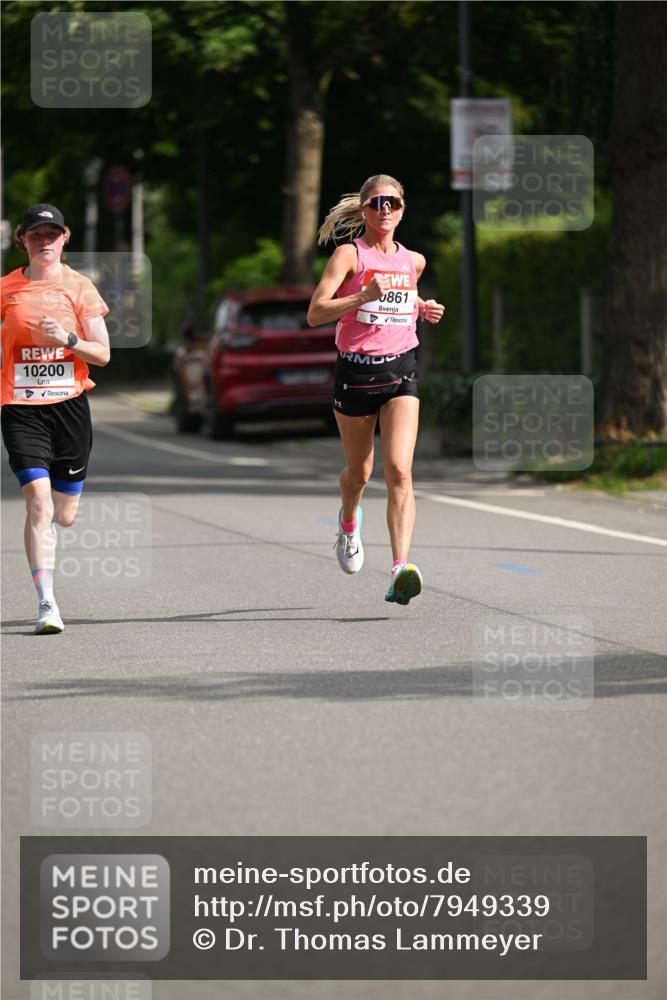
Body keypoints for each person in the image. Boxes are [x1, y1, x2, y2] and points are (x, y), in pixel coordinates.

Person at [307, 174, 445, 605]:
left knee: (400, 471)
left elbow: (400, 300)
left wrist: (421, 307)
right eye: (376, 203)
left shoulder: (414, 261)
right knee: (360, 473)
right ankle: (349, 523)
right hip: (357, 374)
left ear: (403, 210)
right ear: (364, 209)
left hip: (402, 371)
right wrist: (361, 296)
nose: (385, 209)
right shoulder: (349, 255)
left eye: (393, 203)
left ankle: (400, 568)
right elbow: (315, 312)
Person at [1, 203, 110, 634]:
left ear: (64, 239)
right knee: (39, 503)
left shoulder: (80, 287)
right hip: (20, 407)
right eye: (36, 235)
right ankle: (47, 602)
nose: (44, 241)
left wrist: (67, 339)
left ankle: (50, 535)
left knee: (64, 515)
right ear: (23, 241)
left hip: (69, 408)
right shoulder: (5, 289)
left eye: (52, 234)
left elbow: (102, 354)